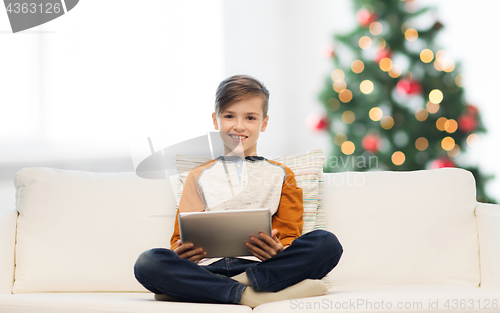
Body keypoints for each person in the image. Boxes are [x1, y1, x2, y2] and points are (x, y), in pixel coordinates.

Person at [133, 74, 343, 308]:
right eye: (229, 116)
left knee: (327, 243)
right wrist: (182, 252)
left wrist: (278, 250)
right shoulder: (198, 175)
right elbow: (179, 240)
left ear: (264, 122)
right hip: (207, 267)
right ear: (216, 120)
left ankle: (212, 289)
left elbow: (289, 238)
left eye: (250, 117)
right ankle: (250, 295)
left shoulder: (283, 175)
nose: (239, 125)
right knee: (148, 263)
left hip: (261, 268)